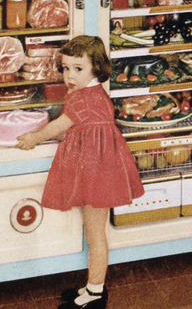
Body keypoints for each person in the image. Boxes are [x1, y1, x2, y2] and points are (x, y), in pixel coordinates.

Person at [16, 35, 145, 309]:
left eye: (78, 69)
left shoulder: (82, 99)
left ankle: (95, 295)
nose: (69, 76)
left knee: (96, 236)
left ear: (96, 68)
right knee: (95, 233)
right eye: (65, 68)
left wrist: (34, 138)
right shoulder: (93, 92)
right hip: (99, 168)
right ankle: (91, 287)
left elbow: (58, 126)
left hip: (95, 173)